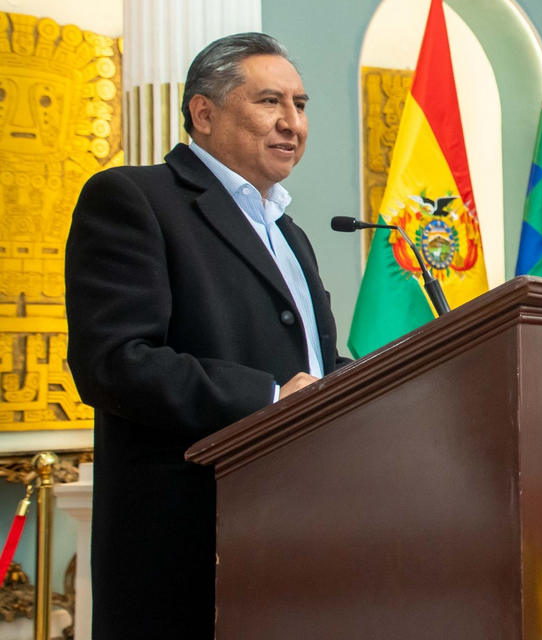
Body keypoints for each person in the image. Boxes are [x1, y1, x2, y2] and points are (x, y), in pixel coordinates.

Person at [64, 33, 350, 640]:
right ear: (204, 112)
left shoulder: (289, 232)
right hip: (187, 548)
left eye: (301, 105)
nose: (292, 122)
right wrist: (269, 401)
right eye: (270, 101)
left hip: (297, 533)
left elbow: (316, 369)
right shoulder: (134, 199)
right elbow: (115, 361)